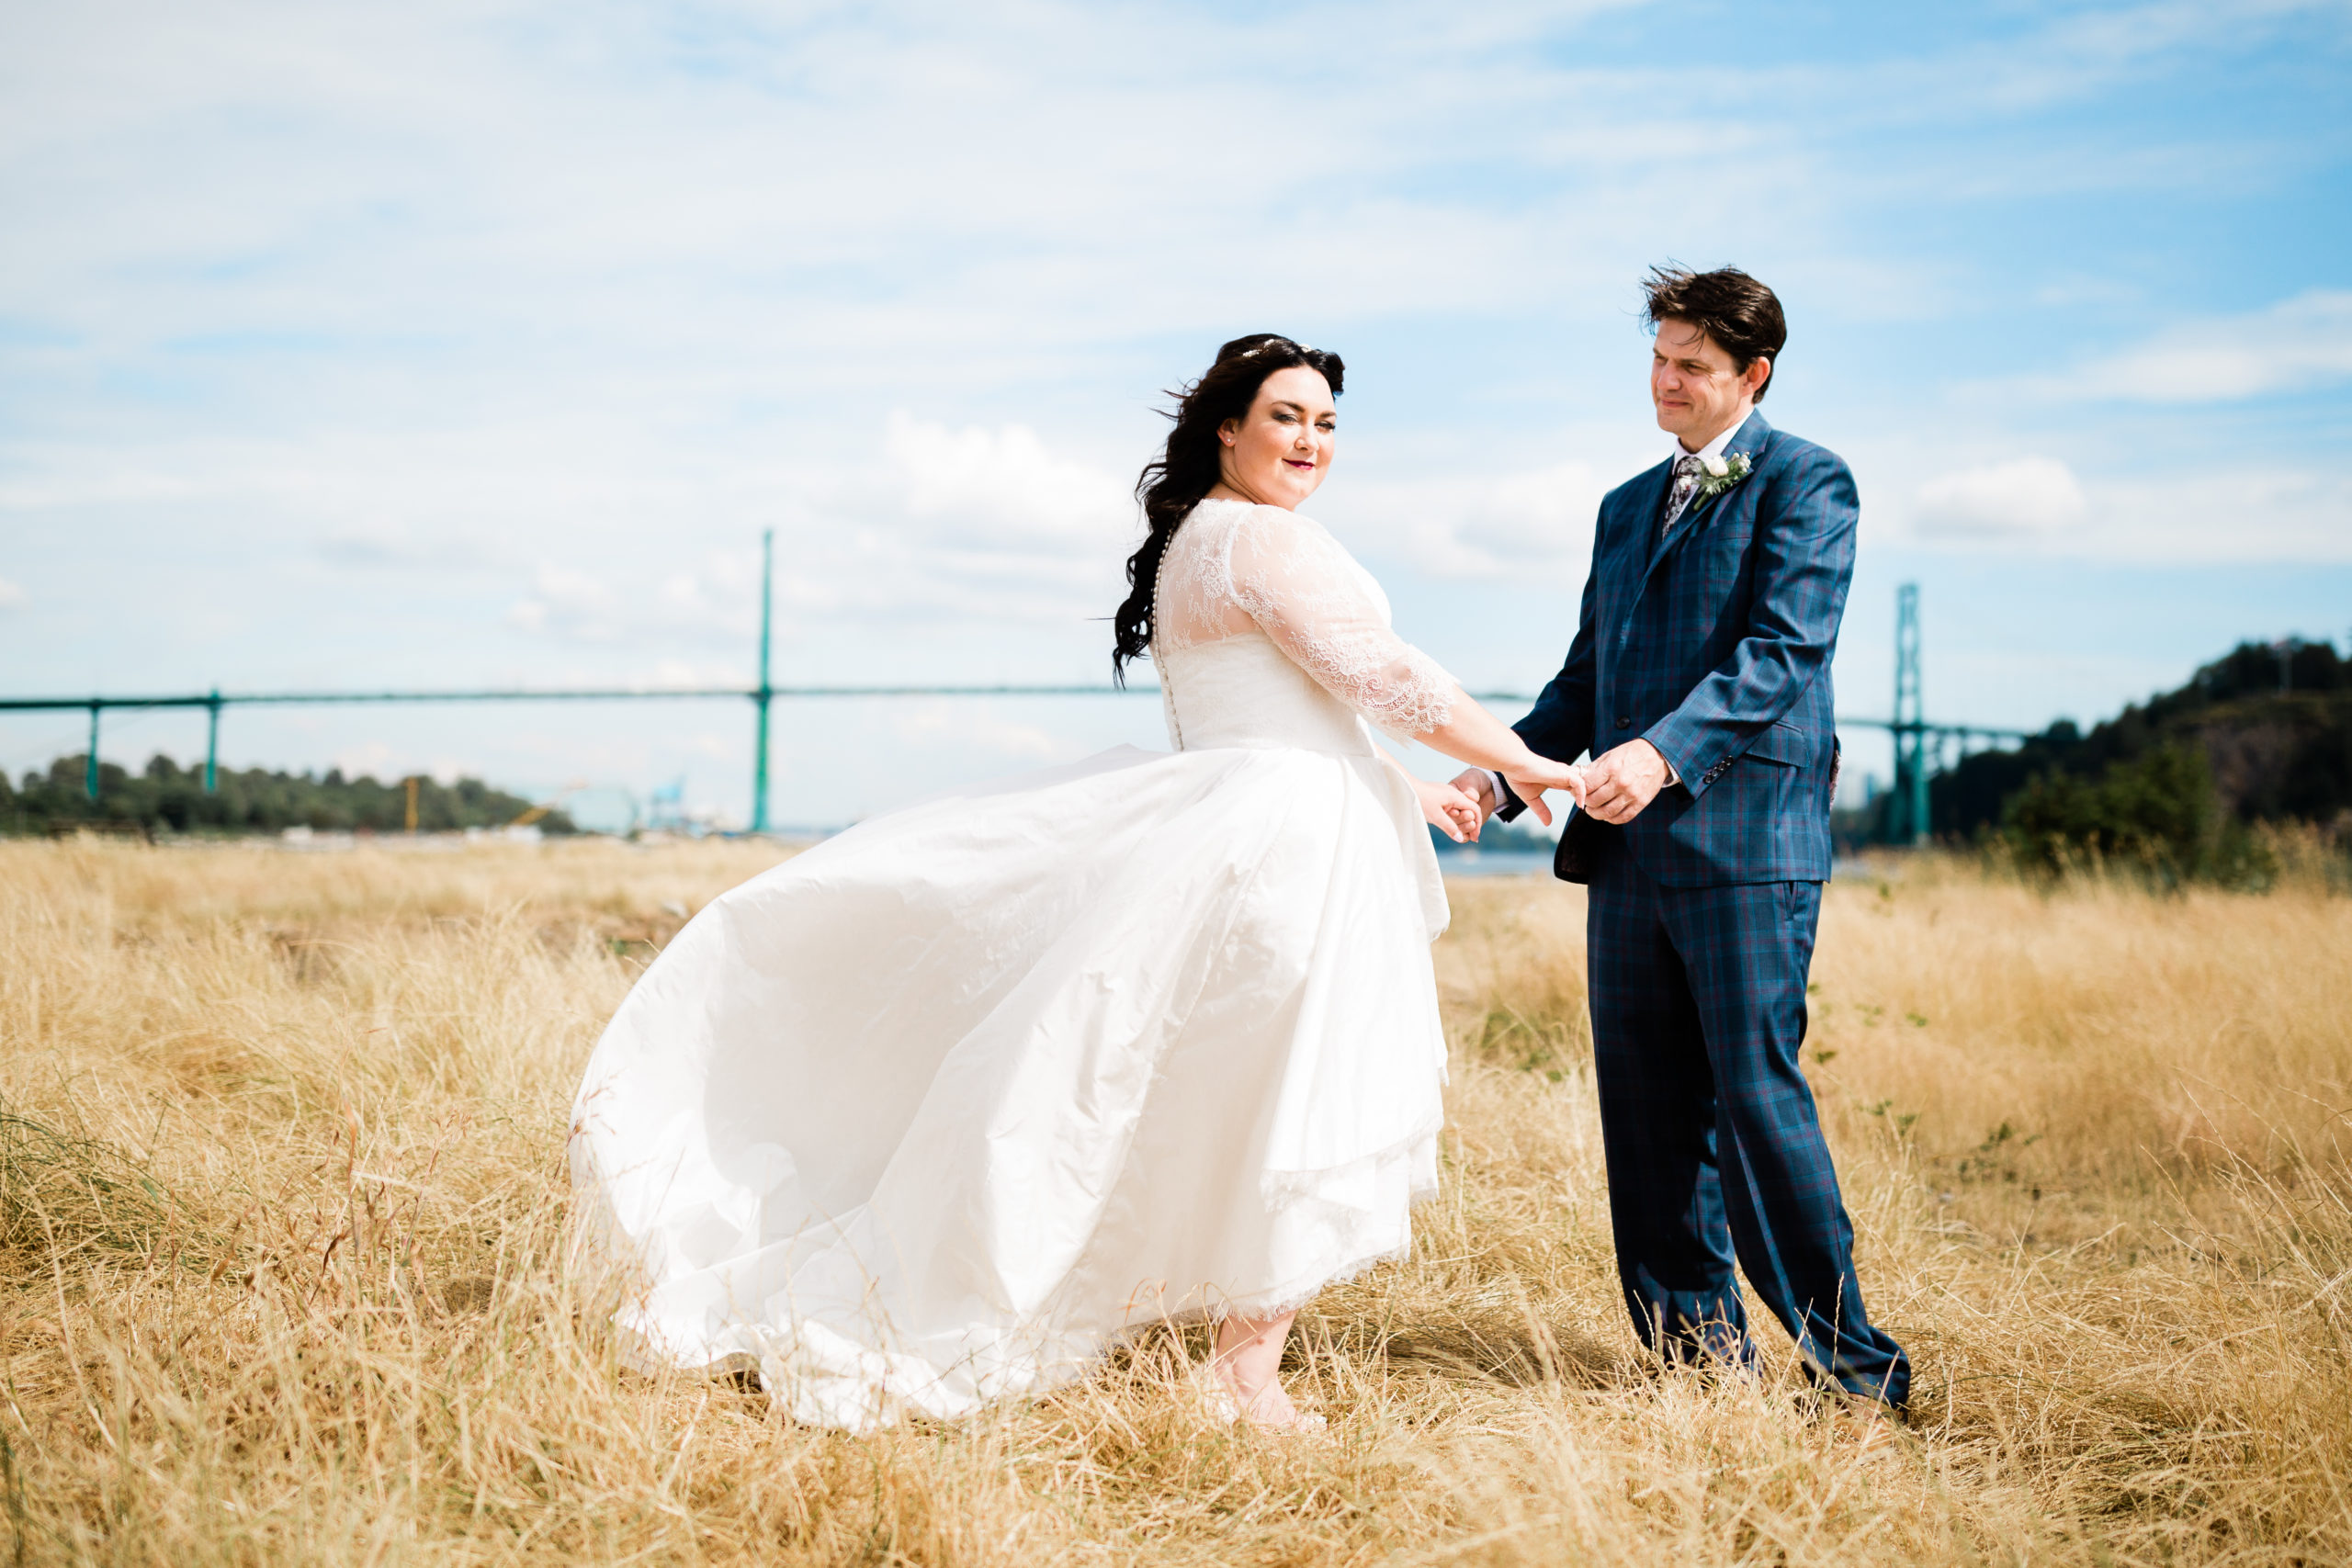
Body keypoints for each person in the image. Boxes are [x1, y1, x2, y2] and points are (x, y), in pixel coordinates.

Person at [569, 334, 1582, 1433]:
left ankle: (1232, 1362)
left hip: (1258, 820)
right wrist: (1528, 761)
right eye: (1286, 416)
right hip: (1288, 848)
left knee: (1220, 1092)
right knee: (1300, 1096)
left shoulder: (1206, 536)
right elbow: (1385, 678)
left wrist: (1413, 789)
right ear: (1226, 430)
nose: (1310, 441)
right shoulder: (1259, 540)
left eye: (1327, 423)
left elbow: (1296, 701)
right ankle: (1242, 1377)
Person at [1455, 266, 1911, 1416]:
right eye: (1658, 359)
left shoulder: (1808, 481)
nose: (1666, 381)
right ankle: (1696, 1373)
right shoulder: (1621, 506)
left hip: (1744, 842)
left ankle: (1855, 1374)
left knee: (1755, 1104)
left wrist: (1659, 755)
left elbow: (1782, 650)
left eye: (1692, 366)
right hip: (1625, 861)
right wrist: (1500, 777)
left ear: (1751, 374)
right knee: (1646, 1117)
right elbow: (1583, 681)